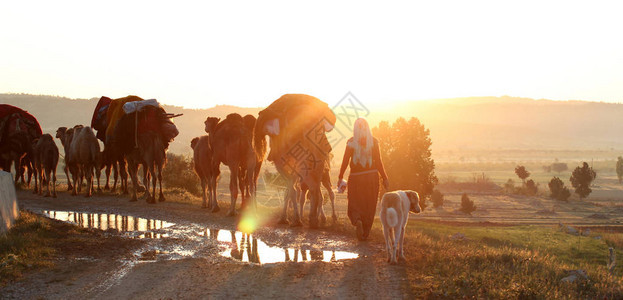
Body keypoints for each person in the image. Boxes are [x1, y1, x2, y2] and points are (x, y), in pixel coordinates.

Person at [338, 118, 389, 241]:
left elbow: (345, 161)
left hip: (355, 178)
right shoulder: (374, 142)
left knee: (354, 203)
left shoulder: (351, 142)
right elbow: (379, 162)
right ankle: (365, 233)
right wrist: (385, 178)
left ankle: (357, 220)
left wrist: (340, 176)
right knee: (369, 205)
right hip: (371, 177)